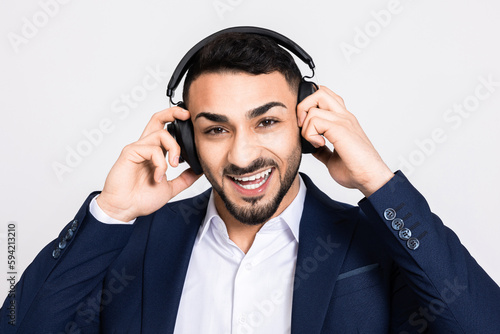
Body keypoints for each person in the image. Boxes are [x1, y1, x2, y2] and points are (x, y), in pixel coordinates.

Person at [2, 28, 499, 334]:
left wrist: (377, 181)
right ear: (187, 139)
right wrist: (110, 214)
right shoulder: (131, 245)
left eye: (266, 122)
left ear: (306, 123)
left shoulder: (380, 245)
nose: (241, 155)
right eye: (215, 129)